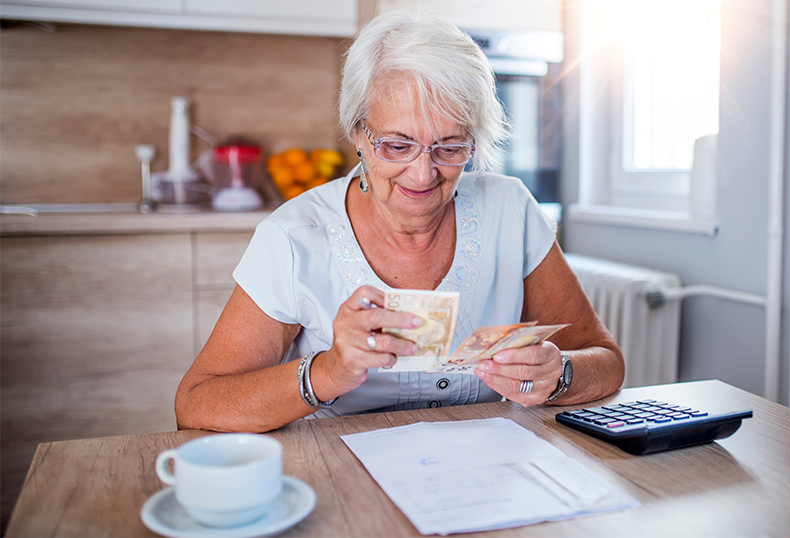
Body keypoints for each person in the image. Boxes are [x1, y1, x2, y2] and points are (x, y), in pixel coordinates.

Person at [175, 11, 624, 432]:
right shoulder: (293, 237)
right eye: (396, 145)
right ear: (357, 133)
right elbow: (196, 405)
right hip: (343, 485)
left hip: (482, 476)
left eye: (450, 147)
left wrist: (558, 372)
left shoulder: (511, 210)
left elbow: (606, 361)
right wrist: (327, 372)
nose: (423, 173)